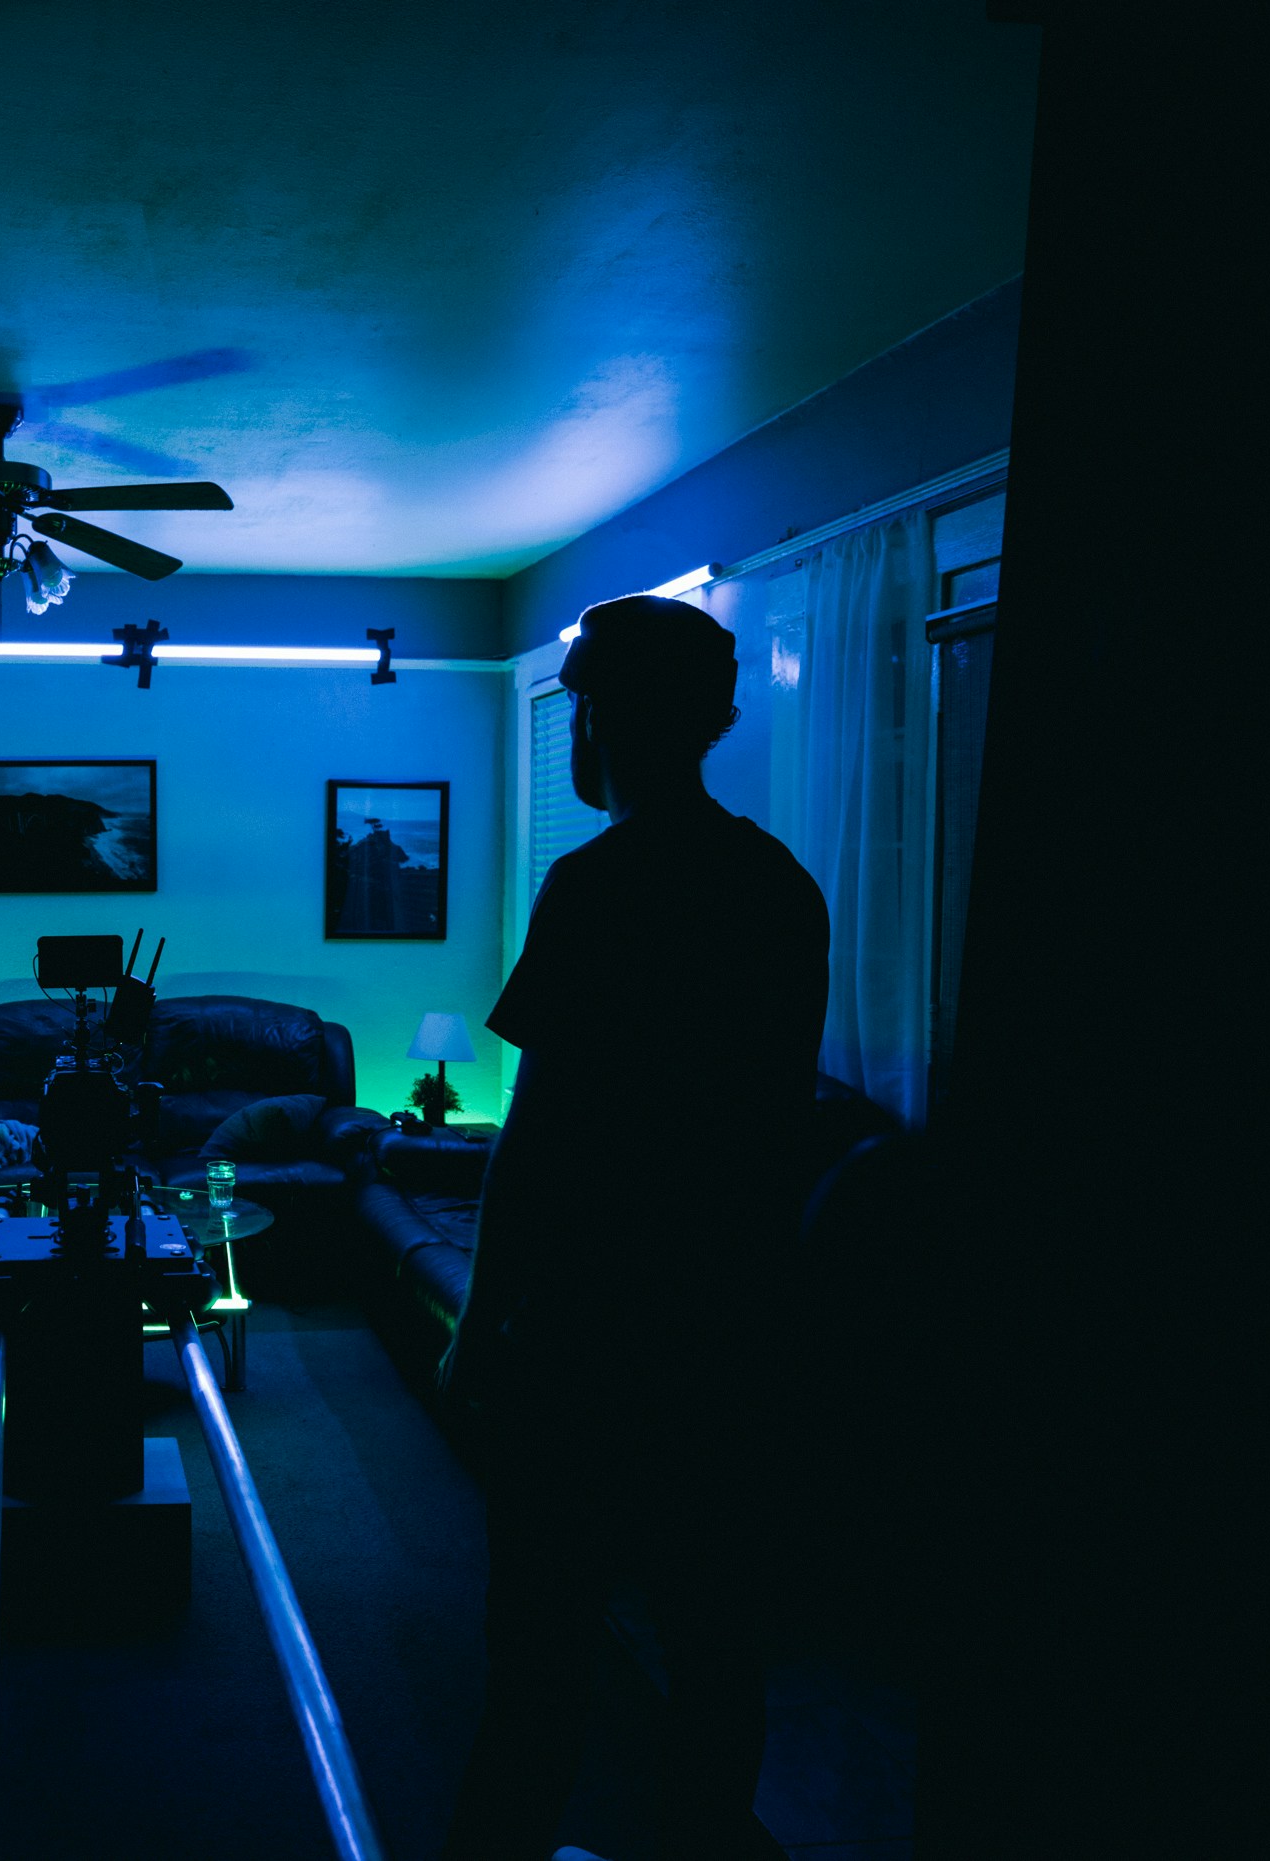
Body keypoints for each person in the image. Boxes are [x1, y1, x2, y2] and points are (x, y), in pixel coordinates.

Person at [440, 595, 828, 1861]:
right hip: (732, 1335)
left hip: (584, 1340)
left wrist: (479, 1326)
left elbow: (537, 1141)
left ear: (602, 718)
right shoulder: (780, 888)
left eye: (577, 699)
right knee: (715, 1656)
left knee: (538, 1659)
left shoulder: (593, 884)